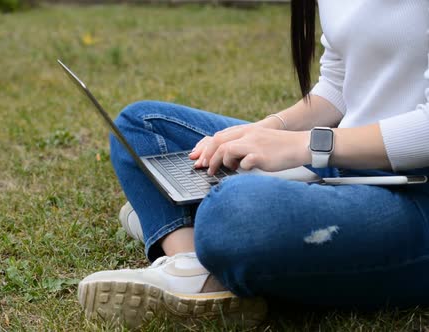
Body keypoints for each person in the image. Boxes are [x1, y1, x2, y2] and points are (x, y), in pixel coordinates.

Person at [77, 0, 429, 328]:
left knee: (238, 210)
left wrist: (305, 146)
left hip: (414, 195)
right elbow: (338, 84)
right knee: (141, 126)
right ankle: (192, 265)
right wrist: (264, 130)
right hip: (341, 165)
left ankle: (186, 222)